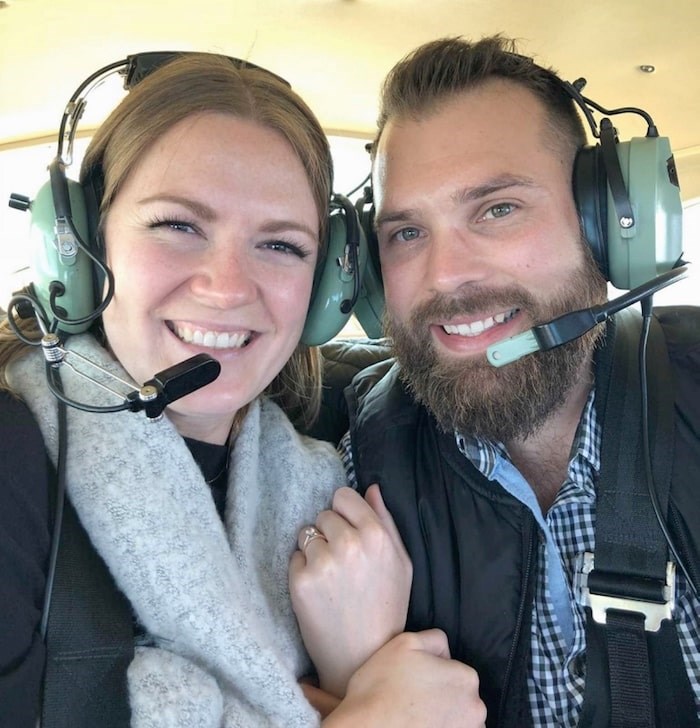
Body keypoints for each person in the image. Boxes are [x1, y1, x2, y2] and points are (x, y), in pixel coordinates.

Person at [0, 52, 486, 727]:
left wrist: (358, 670)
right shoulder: (13, 464)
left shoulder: (331, 469)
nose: (227, 288)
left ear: (326, 290)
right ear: (81, 244)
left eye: (281, 245)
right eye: (178, 225)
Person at [289, 36, 700, 728]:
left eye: (498, 209)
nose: (446, 275)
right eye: (408, 234)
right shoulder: (354, 461)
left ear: (608, 225)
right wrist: (360, 681)